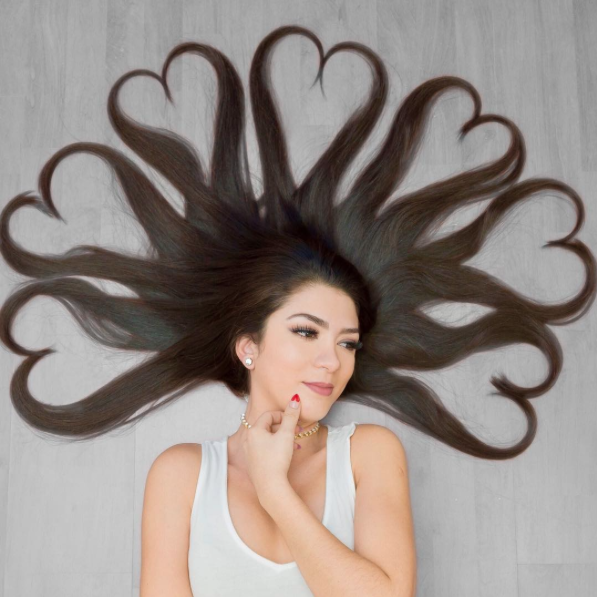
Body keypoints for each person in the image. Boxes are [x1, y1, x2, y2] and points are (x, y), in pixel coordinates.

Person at [0, 24, 595, 597]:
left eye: (347, 342)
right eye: (307, 332)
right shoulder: (181, 475)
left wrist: (273, 488)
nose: (332, 360)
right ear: (248, 346)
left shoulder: (367, 454)